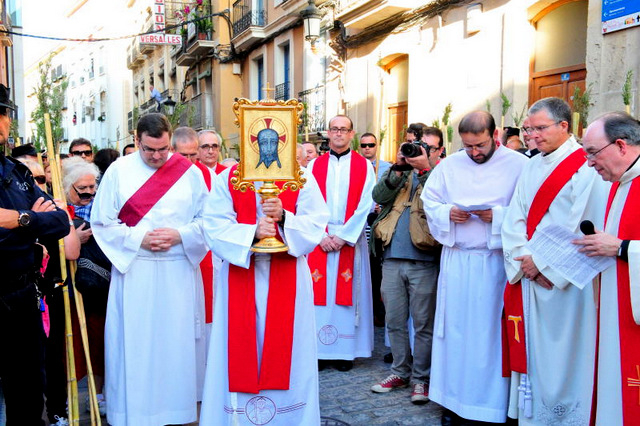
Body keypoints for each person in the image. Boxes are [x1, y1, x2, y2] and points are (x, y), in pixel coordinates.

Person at [91, 113, 209, 425]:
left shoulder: (190, 173)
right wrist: (137, 238)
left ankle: (180, 412)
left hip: (178, 270)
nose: (157, 157)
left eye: (163, 149)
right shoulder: (118, 171)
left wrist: (180, 235)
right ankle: (135, 413)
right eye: (149, 150)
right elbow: (102, 221)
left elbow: (209, 221)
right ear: (137, 139)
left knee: (177, 345)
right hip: (136, 269)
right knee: (137, 345)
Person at [501, 97, 609, 425]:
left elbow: (583, 223)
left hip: (566, 282)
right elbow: (514, 217)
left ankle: (565, 418)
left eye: (540, 129)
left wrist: (543, 265)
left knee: (565, 356)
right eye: (528, 129)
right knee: (535, 353)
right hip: (531, 276)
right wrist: (525, 262)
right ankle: (533, 416)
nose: (532, 136)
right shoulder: (531, 163)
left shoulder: (585, 165)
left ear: (564, 126)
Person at [199, 156, 330, 425]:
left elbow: (316, 222)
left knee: (291, 351)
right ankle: (237, 418)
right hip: (241, 267)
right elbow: (212, 224)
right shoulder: (230, 177)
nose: (266, 147)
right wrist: (251, 233)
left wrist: (284, 218)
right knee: (235, 350)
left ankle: (290, 417)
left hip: (289, 272)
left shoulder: (301, 176)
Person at [421, 111, 527, 424]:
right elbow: (430, 202)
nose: (474, 152)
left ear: (496, 136)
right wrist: (447, 213)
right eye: (468, 147)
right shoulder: (450, 165)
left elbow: (531, 211)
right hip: (457, 260)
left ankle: (490, 406)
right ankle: (453, 403)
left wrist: (501, 217)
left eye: (479, 145)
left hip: (494, 263)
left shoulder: (519, 165)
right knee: (453, 333)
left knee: (488, 337)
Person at [0, 83, 71, 425]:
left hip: (23, 297)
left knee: (28, 395)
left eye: (4, 115)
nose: (4, 123)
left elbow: (59, 222)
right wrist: (33, 223)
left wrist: (21, 220)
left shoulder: (18, 173)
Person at [573, 112, 640, 425]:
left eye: (593, 152)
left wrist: (623, 248)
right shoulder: (619, 184)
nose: (589, 162)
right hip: (615, 311)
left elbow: (621, 245)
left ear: (622, 146)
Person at [369, 126, 444, 404]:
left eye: (427, 148)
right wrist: (399, 168)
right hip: (391, 258)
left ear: (438, 151)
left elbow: (444, 200)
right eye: (415, 145)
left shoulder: (443, 175)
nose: (418, 151)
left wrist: (426, 170)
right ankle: (399, 371)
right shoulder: (401, 173)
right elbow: (379, 197)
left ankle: (421, 379)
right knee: (394, 321)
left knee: (424, 324)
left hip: (424, 261)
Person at [307, 115, 375, 372]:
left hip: (349, 239)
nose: (338, 134)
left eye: (343, 130)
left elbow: (365, 203)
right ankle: (321, 352)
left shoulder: (363, 166)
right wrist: (321, 235)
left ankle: (346, 352)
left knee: (348, 296)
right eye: (334, 129)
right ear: (328, 133)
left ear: (351, 133)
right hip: (321, 240)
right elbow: (308, 203)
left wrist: (344, 236)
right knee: (320, 297)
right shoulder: (314, 166)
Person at [172, 126, 214, 401]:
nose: (189, 161)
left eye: (193, 155)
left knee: (199, 320)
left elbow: (209, 219)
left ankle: (199, 379)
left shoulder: (202, 175)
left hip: (197, 255)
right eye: (183, 155)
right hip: (163, 258)